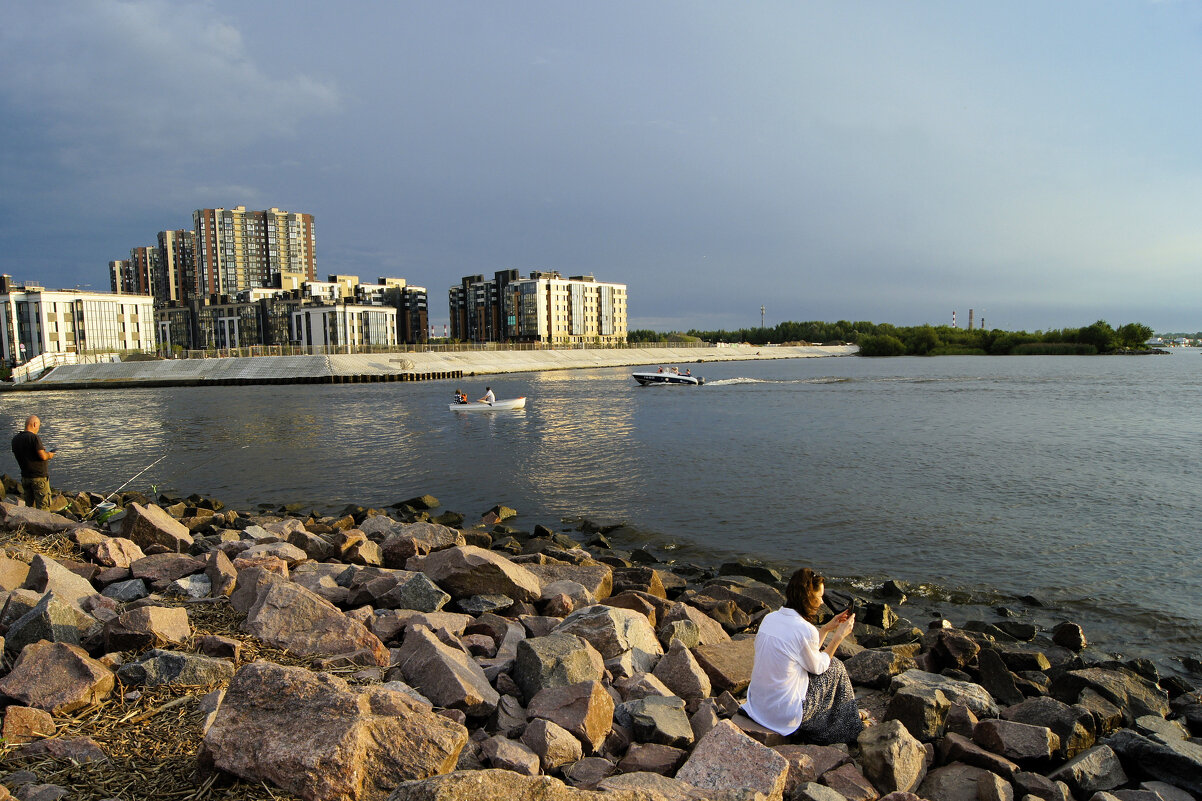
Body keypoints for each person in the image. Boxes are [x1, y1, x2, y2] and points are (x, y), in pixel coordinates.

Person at [742, 567, 864, 744]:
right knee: (835, 666)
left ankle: (845, 718)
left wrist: (825, 629)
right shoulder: (804, 629)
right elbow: (818, 667)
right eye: (819, 596)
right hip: (782, 714)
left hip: (758, 704)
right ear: (808, 596)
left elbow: (805, 652)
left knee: (820, 665)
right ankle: (850, 727)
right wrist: (838, 638)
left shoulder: (771, 618)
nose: (822, 602)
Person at [11, 415, 55, 510]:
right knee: (43, 508)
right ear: (35, 424)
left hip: (25, 477)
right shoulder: (34, 438)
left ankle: (29, 523)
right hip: (39, 478)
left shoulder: (15, 439)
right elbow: (43, 456)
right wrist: (50, 455)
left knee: (29, 507)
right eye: (39, 425)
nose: (38, 428)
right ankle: (43, 524)